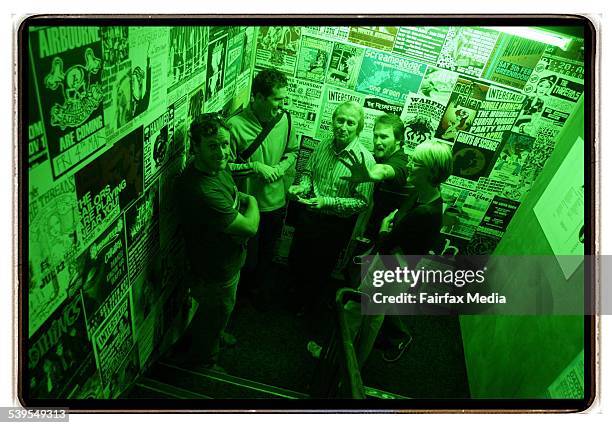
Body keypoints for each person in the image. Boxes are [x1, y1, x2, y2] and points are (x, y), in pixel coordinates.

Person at [344, 140, 454, 368]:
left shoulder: (424, 211)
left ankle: (342, 361)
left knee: (355, 309)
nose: (411, 165)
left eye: (417, 163)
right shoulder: (427, 196)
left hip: (391, 269)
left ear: (432, 171)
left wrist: (385, 226)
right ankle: (354, 363)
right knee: (371, 315)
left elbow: (386, 241)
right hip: (397, 268)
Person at [175, 113, 260, 371]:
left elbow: (234, 195)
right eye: (213, 146)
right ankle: (205, 362)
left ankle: (215, 331)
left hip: (228, 262)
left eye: (225, 144)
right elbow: (250, 227)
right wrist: (253, 202)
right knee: (217, 311)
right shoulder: (203, 189)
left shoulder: (216, 169)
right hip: (215, 272)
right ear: (196, 148)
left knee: (218, 313)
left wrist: (241, 201)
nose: (223, 152)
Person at [288, 101, 375, 316]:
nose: (343, 127)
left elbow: (362, 202)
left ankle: (310, 308)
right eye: (340, 120)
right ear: (333, 120)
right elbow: (309, 172)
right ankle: (294, 299)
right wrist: (302, 187)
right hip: (309, 214)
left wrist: (327, 202)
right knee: (298, 259)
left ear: (359, 127)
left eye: (350, 123)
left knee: (320, 269)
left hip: (334, 224)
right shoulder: (323, 144)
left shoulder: (365, 160)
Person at [339, 113, 414, 362]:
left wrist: (370, 174)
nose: (378, 140)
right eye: (376, 135)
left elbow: (385, 171)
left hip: (390, 250)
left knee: (364, 304)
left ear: (399, 141)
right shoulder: (387, 157)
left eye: (384, 137)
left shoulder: (400, 164)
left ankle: (348, 358)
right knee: (376, 303)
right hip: (383, 242)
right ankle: (395, 337)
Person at [228, 68, 298, 307]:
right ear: (258, 96)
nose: (281, 105)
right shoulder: (234, 126)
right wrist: (255, 167)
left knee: (267, 256)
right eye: (277, 99)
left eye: (283, 99)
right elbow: (224, 167)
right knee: (246, 259)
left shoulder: (285, 119)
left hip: (276, 203)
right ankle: (240, 303)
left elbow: (292, 152)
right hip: (247, 206)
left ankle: (258, 300)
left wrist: (281, 167)